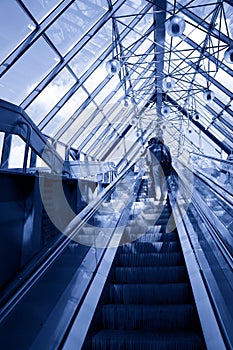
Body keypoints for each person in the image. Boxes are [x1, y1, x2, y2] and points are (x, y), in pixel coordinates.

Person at [146, 136, 172, 201]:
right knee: (164, 181)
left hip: (155, 166)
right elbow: (169, 158)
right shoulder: (166, 147)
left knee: (156, 181)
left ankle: (158, 196)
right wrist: (169, 166)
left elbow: (149, 160)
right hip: (164, 166)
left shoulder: (150, 148)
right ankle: (164, 197)